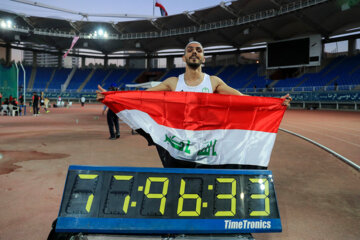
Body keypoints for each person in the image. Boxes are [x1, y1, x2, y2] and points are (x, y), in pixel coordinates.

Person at [97, 41, 291, 168]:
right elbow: (141, 98)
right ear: (184, 58)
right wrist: (111, 97)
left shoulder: (213, 82)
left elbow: (241, 99)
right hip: (180, 145)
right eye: (190, 50)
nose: (194, 53)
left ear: (203, 58)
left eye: (198, 50)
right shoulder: (173, 83)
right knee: (179, 180)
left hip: (208, 144)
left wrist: (272, 104)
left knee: (207, 183)